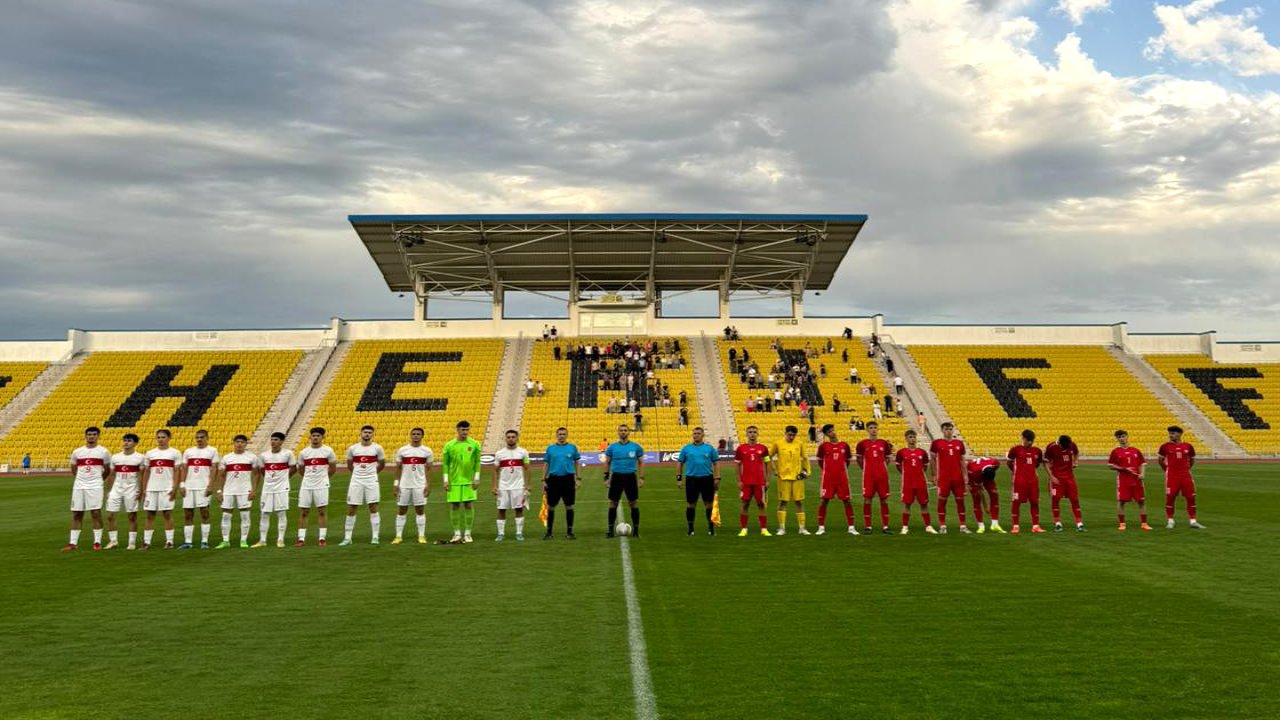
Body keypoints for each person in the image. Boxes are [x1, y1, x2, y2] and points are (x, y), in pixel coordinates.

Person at [65, 426, 111, 551]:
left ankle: (97, 542)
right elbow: (74, 468)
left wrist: (98, 480)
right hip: (79, 486)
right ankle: (73, 543)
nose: (91, 436)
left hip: (95, 485)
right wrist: (81, 479)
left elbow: (107, 470)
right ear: (85, 436)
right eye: (89, 434)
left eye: (94, 434)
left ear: (98, 436)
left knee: (95, 513)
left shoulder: (103, 452)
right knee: (76, 514)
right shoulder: (77, 452)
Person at [341, 425, 386, 546]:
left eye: (370, 432)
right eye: (365, 432)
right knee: (352, 508)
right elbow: (350, 464)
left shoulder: (377, 448)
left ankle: (375, 536)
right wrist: (357, 473)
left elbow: (382, 464)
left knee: (373, 507)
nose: (367, 434)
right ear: (360, 433)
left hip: (371, 480)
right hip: (356, 480)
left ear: (373, 434)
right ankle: (347, 538)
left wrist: (372, 474)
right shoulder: (353, 448)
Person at [215, 434, 259, 549]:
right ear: (233, 443)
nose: (239, 444)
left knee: (245, 515)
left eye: (242, 442)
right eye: (237, 442)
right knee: (226, 515)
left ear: (246, 444)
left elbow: (256, 474)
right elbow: (221, 476)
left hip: (245, 490)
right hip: (228, 491)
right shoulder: (226, 458)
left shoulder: (251, 457)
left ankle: (243, 540)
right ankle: (225, 541)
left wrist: (254, 490)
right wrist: (219, 491)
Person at [442, 420, 483, 543]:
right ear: (457, 430)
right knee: (454, 505)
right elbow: (445, 464)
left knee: (468, 505)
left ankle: (468, 533)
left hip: (468, 481)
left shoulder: (475, 444)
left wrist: (476, 478)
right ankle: (456, 533)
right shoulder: (449, 445)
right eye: (463, 430)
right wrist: (445, 480)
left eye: (467, 430)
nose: (465, 432)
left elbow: (477, 462)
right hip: (453, 480)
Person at [142, 429, 183, 550]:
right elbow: (146, 472)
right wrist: (144, 488)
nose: (160, 439)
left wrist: (174, 487)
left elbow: (177, 471)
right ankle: (146, 542)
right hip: (151, 488)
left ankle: (169, 541)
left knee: (167, 514)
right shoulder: (150, 453)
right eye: (158, 437)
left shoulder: (175, 453)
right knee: (149, 515)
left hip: (166, 488)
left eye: (163, 437)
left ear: (169, 438)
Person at [296, 427, 337, 546]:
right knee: (304, 511)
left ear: (322, 437)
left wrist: (323, 479)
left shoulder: (328, 451)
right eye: (313, 435)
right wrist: (310, 478)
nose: (315, 437)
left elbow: (333, 469)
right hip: (306, 485)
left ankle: (322, 538)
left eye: (318, 436)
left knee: (322, 511)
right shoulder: (304, 452)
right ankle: (301, 539)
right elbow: (301, 470)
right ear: (310, 437)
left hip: (322, 485)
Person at [254, 432, 296, 548]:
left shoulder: (288, 454)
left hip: (282, 488)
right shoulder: (264, 455)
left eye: (276, 439)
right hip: (267, 488)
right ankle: (262, 540)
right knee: (264, 513)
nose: (273, 442)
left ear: (282, 442)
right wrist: (269, 480)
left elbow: (293, 468)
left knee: (281, 513)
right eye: (272, 439)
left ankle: (280, 539)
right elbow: (262, 470)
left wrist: (284, 479)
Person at [392, 427, 433, 544]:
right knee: (401, 510)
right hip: (404, 485)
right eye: (413, 434)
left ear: (422, 436)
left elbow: (429, 469)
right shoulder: (403, 450)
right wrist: (396, 484)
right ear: (410, 435)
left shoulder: (427, 451)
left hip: (419, 485)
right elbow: (398, 468)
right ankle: (398, 536)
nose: (415, 436)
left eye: (418, 434)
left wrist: (428, 485)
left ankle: (421, 536)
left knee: (420, 510)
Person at [179, 429, 219, 549]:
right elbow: (184, 469)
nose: (199, 439)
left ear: (207, 438)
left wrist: (211, 485)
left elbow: (214, 469)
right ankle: (188, 542)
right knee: (188, 514)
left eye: (202, 437)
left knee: (204, 513)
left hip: (203, 486)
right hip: (189, 486)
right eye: (197, 437)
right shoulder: (188, 451)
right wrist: (182, 484)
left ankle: (204, 541)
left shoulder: (212, 451)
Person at [676, 426, 720, 536]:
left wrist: (717, 478)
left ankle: (711, 528)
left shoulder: (710, 449)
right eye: (694, 433)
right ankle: (690, 529)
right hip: (692, 479)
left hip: (707, 479)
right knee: (691, 504)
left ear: (703, 435)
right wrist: (679, 478)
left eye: (698, 433)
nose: (696, 435)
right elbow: (679, 463)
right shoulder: (686, 449)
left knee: (708, 504)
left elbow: (716, 463)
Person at [104, 433, 144, 550]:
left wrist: (140, 490)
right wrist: (108, 491)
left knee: (132, 516)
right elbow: (111, 475)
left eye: (129, 441)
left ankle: (131, 542)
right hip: (116, 490)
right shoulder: (116, 457)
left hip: (131, 489)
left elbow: (141, 475)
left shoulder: (140, 457)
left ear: (135, 443)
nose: (126, 443)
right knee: (110, 515)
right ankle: (113, 541)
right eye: (125, 440)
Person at [1159, 425, 1204, 530]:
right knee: (1170, 498)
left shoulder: (1188, 446)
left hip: (1185, 476)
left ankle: (1193, 521)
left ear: (1179, 434)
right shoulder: (1165, 446)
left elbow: (1192, 460)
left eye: (1173, 433)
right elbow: (1160, 460)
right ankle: (1170, 520)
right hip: (1172, 476)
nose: (1171, 435)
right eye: (1170, 433)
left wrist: (1187, 469)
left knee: (1191, 498)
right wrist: (1167, 470)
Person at [604, 425, 644, 538]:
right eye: (621, 430)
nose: (623, 432)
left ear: (628, 432)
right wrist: (606, 478)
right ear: (618, 432)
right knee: (613, 503)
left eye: (625, 430)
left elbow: (641, 462)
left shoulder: (636, 447)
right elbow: (607, 462)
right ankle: (610, 530)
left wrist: (641, 477)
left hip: (630, 477)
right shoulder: (612, 447)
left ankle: (636, 530)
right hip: (616, 477)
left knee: (633, 503)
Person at [816, 424, 856, 535]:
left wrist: (841, 470)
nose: (832, 433)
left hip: (842, 479)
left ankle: (851, 527)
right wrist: (827, 470)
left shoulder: (844, 445)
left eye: (833, 430)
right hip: (828, 479)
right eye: (829, 432)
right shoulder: (824, 446)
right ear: (826, 435)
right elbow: (820, 461)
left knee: (847, 501)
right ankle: (821, 527)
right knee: (824, 501)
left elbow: (847, 460)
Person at [492, 430, 531, 542]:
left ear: (517, 438)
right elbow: (495, 471)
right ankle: (501, 534)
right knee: (501, 509)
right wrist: (494, 486)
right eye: (508, 437)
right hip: (503, 486)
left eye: (513, 437)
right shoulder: (499, 453)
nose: (511, 439)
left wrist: (527, 485)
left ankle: (519, 533)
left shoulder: (523, 452)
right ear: (505, 438)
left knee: (519, 509)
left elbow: (527, 468)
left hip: (518, 486)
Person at [542, 427, 581, 539]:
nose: (562, 436)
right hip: (553, 479)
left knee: (569, 506)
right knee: (551, 506)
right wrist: (543, 480)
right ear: (556, 435)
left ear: (567, 435)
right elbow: (546, 464)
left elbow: (577, 463)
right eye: (560, 434)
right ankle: (549, 533)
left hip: (568, 479)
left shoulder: (572, 448)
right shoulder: (550, 449)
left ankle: (569, 532)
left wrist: (578, 478)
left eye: (564, 434)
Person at [771, 425, 810, 536]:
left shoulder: (800, 443)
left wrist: (807, 472)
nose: (791, 437)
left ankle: (802, 528)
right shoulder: (778, 443)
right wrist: (774, 469)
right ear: (785, 433)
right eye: (789, 434)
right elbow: (769, 456)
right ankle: (782, 528)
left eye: (793, 435)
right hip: (783, 478)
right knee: (783, 501)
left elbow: (805, 458)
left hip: (797, 477)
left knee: (799, 501)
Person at [930, 422, 969, 533]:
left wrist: (965, 475)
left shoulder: (959, 443)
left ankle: (963, 526)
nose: (949, 431)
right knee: (942, 501)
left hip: (957, 477)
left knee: (960, 501)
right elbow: (932, 459)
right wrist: (933, 474)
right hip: (944, 478)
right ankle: (942, 526)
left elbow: (962, 460)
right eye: (946, 429)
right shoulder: (936, 443)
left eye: (950, 429)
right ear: (942, 430)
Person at [857, 421, 894, 534]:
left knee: (884, 499)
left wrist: (881, 468)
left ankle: (885, 526)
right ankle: (868, 526)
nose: (873, 430)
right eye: (871, 428)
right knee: (868, 499)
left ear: (877, 429)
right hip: (868, 476)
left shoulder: (883, 443)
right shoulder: (862, 444)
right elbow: (859, 459)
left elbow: (888, 458)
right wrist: (866, 469)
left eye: (875, 428)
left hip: (882, 476)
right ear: (867, 430)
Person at [1109, 429, 1151, 531]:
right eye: (1119, 437)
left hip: (1137, 480)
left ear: (1127, 436)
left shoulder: (1136, 450)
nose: (1122, 439)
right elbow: (1110, 465)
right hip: (1123, 480)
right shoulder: (1115, 451)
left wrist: (1142, 473)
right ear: (1117, 439)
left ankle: (1144, 524)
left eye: (1123, 436)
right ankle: (1122, 524)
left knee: (1141, 501)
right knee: (1121, 501)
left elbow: (1142, 463)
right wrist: (1124, 469)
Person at [1006, 429, 1047, 534]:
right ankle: (1015, 526)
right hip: (1019, 481)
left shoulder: (1037, 451)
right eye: (1022, 438)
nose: (1022, 440)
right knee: (1016, 502)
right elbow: (1009, 462)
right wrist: (1015, 472)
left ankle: (1035, 526)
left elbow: (1037, 464)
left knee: (1035, 502)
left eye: (1023, 438)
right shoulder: (1015, 449)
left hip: (1033, 481)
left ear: (1029, 440)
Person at [896, 430, 936, 534]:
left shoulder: (922, 452)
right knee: (907, 504)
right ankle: (905, 527)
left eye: (914, 437)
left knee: (924, 504)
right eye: (910, 437)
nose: (912, 439)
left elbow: (925, 466)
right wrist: (906, 473)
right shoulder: (901, 452)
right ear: (906, 438)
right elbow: (898, 465)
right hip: (908, 483)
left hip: (920, 482)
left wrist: (919, 474)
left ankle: (928, 526)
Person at [734, 426, 771, 537]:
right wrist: (739, 480)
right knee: (745, 504)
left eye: (754, 432)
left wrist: (768, 479)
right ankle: (744, 529)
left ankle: (764, 529)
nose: (752, 434)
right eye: (750, 432)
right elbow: (737, 465)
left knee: (761, 504)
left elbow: (768, 463)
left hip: (759, 482)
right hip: (746, 482)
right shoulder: (741, 448)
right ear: (746, 434)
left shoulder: (763, 448)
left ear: (758, 434)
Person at [1044, 434, 1085, 532]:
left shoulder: (1071, 444)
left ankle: (1080, 524)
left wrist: (1075, 461)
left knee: (1075, 499)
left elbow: (1076, 452)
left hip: (1069, 478)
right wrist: (1051, 476)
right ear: (1059, 444)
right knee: (1055, 500)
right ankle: (1057, 523)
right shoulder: (1051, 447)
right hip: (1056, 478)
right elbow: (1045, 462)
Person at [966, 456, 1005, 533]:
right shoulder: (974, 473)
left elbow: (994, 469)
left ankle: (995, 524)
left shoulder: (995, 463)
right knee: (976, 498)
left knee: (994, 494)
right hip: (973, 475)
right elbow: (980, 491)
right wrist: (985, 505)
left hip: (984, 471)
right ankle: (981, 526)